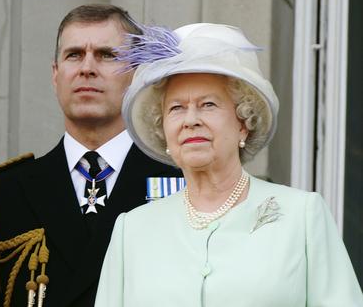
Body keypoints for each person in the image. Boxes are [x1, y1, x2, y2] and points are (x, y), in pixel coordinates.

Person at [95, 22, 363, 306]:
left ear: (244, 123)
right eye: (176, 108)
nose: (190, 120)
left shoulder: (302, 216)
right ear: (164, 131)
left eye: (208, 104)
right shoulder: (133, 230)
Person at [0, 4, 180, 307]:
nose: (87, 67)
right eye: (74, 55)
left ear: (137, 75)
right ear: (55, 74)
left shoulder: (182, 185)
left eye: (106, 55)